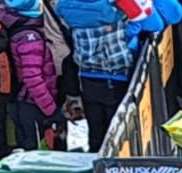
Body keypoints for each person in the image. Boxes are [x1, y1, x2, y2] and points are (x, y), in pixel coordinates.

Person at [57, 0, 134, 150]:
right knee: (118, 133)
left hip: (86, 77)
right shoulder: (114, 9)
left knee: (95, 131)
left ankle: (96, 158)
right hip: (116, 75)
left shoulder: (66, 6)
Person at [0, 0, 60, 151]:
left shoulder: (10, 24)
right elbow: (32, 79)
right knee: (36, 154)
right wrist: (51, 109)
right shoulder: (30, 37)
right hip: (32, 105)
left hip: (18, 101)